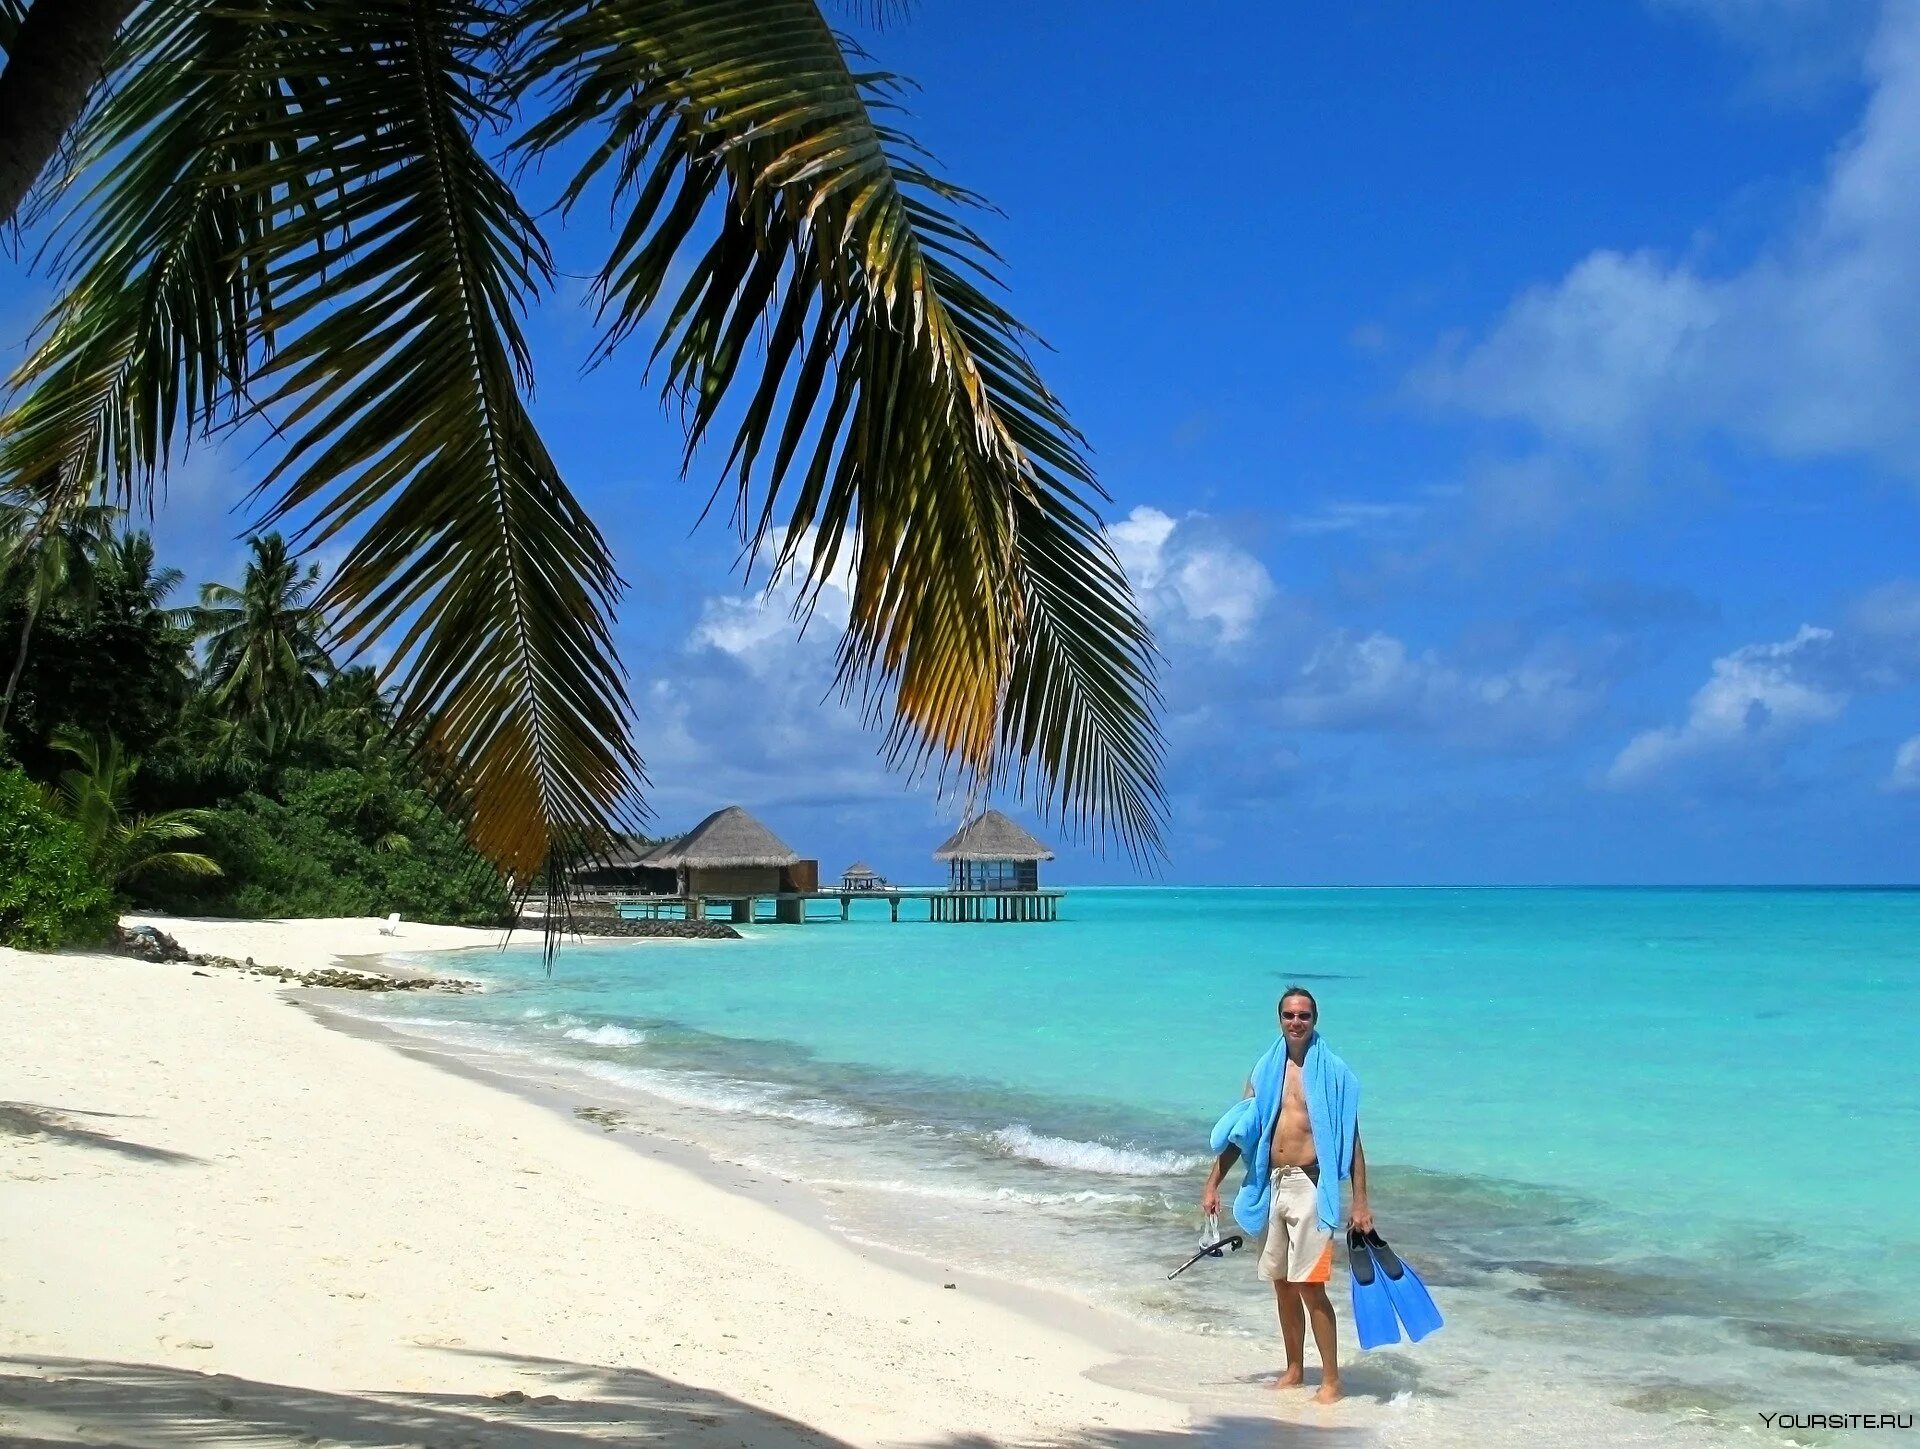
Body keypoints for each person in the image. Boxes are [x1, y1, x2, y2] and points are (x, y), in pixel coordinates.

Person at [1201, 987, 1368, 1403]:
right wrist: (1212, 1182)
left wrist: (1361, 1202)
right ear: (1279, 1019)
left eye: (1304, 1016)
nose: (1297, 1022)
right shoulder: (1264, 1070)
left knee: (1310, 1286)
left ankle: (1331, 1380)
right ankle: (1295, 1369)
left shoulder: (1334, 1073)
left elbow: (1352, 1140)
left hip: (1310, 1186)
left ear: (1315, 1020)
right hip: (1272, 1183)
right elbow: (1244, 1131)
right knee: (1281, 1283)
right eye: (1290, 1015)